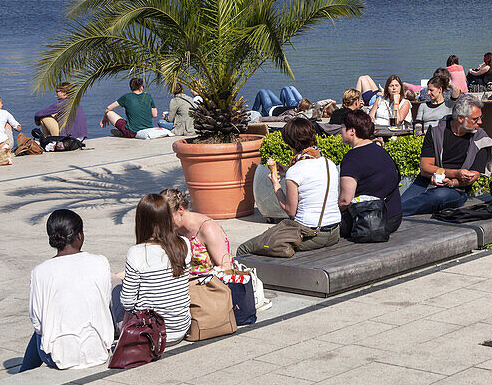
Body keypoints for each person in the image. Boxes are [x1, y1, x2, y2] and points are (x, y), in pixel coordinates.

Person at [20, 209, 114, 371]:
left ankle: (24, 372)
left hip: (57, 357)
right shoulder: (100, 262)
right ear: (79, 235)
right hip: (97, 350)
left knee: (41, 332)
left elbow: (37, 322)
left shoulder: (40, 271)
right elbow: (105, 303)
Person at [238, 119, 342, 254]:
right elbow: (310, 178)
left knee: (244, 249)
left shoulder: (296, 170)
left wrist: (276, 185)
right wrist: (287, 172)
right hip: (334, 232)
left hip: (311, 234)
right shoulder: (329, 164)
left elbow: (291, 211)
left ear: (290, 143)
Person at [117, 192, 192, 344]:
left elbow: (127, 302)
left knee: (114, 288)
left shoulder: (136, 253)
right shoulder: (184, 244)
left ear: (141, 221)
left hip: (150, 334)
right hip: (180, 328)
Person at [400, 95, 492, 216]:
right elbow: (425, 169)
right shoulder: (436, 130)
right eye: (475, 119)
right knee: (404, 202)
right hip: (427, 180)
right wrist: (455, 173)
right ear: (460, 118)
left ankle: (390, 214)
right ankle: (391, 213)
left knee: (438, 195)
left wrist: (451, 181)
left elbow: (473, 176)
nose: (480, 122)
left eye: (480, 117)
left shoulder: (481, 138)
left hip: (457, 188)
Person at [338, 110, 402, 236]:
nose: (340, 131)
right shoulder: (381, 151)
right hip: (394, 217)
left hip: (369, 221)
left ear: (352, 131)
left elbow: (346, 200)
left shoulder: (352, 158)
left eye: (343, 128)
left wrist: (333, 210)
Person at [164, 188, 233, 275]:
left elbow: (226, 268)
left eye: (167, 218)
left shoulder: (207, 229)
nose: (163, 223)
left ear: (180, 210)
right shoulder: (174, 229)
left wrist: (194, 281)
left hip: (209, 284)